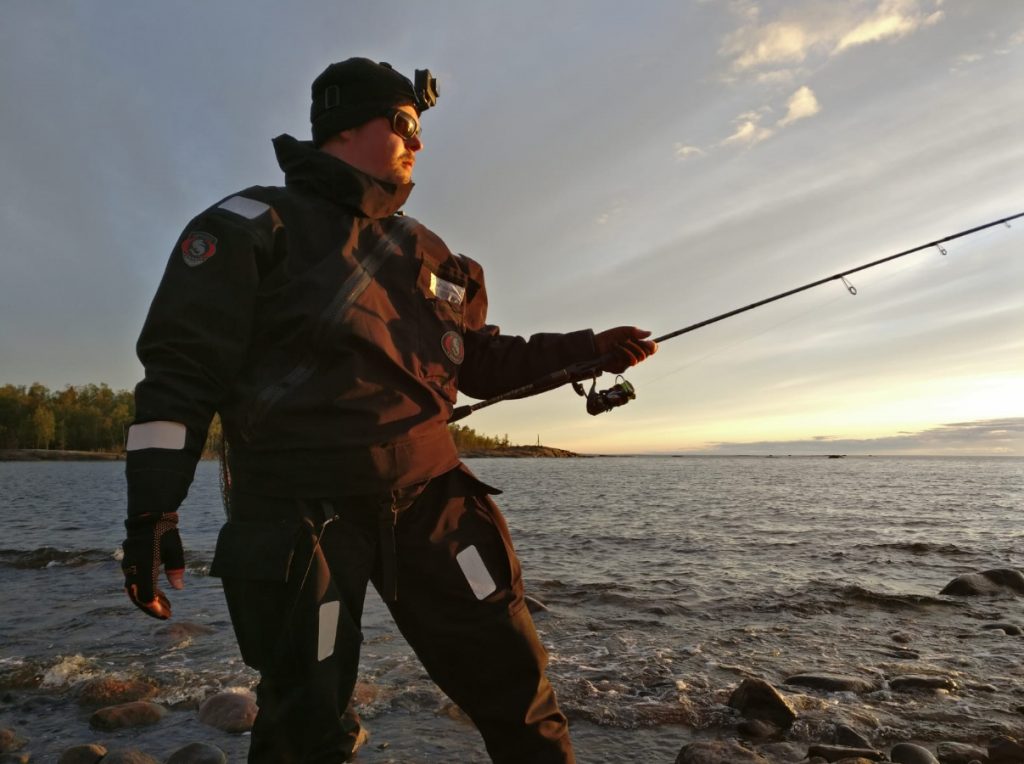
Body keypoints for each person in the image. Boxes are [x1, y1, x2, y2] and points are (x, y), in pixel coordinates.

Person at [120, 57, 657, 763]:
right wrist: (152, 512)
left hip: (435, 506)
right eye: (404, 124)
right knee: (305, 716)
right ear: (344, 125)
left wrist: (590, 351)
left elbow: (481, 361)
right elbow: (180, 375)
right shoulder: (247, 226)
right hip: (299, 517)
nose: (419, 143)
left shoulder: (433, 257)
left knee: (516, 687)